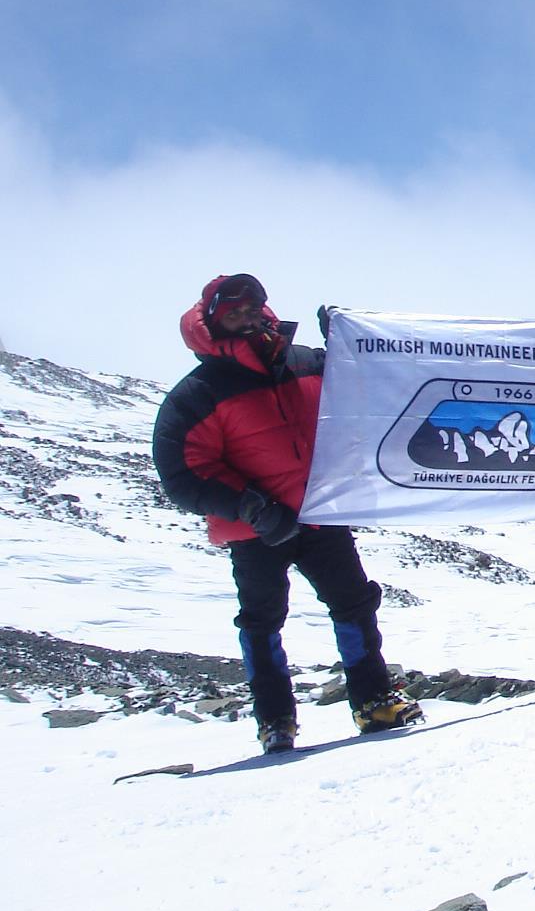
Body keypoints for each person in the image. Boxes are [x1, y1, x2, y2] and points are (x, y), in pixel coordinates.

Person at [151, 274, 421, 752]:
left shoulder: (307, 364)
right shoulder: (198, 394)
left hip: (321, 515)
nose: (246, 313)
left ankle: (375, 702)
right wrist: (250, 506)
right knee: (262, 621)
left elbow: (372, 384)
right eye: (232, 308)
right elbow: (183, 472)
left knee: (354, 605)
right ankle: (275, 721)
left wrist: (350, 340)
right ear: (212, 318)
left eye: (252, 304)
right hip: (256, 531)